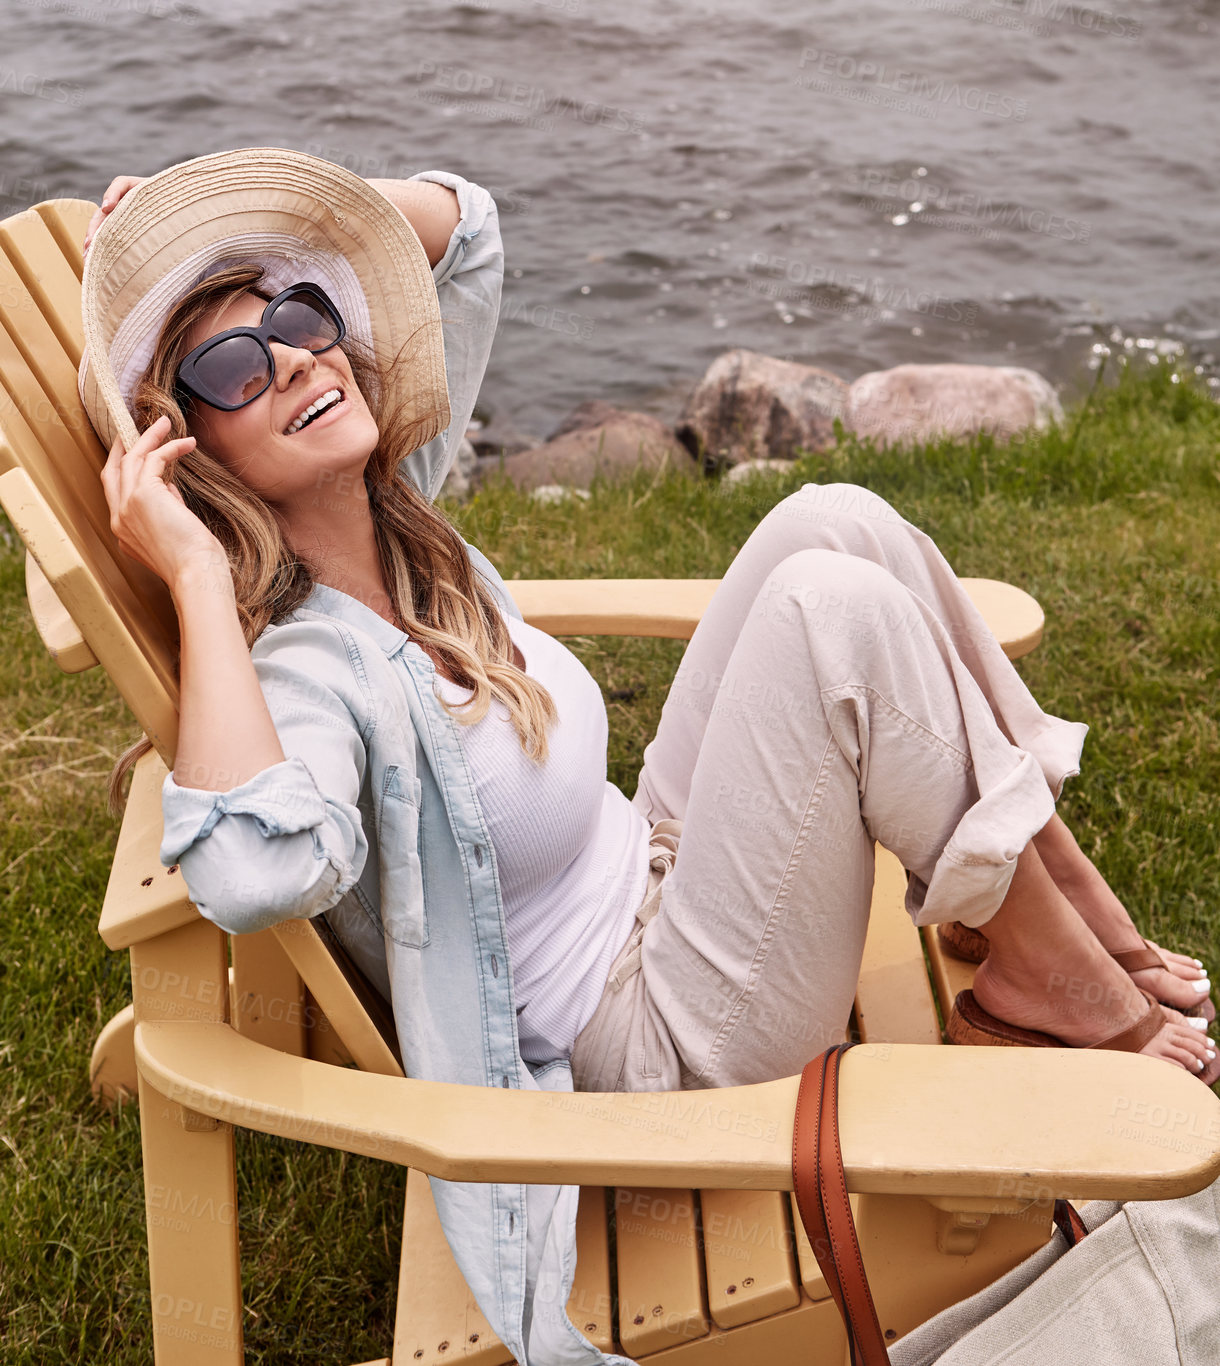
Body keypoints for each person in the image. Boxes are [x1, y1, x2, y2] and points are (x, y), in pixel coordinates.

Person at [82, 150, 1215, 1366]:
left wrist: (249, 198)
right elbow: (254, 873)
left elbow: (467, 231)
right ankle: (1068, 995)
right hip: (649, 1048)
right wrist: (195, 574)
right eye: (231, 366)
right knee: (826, 611)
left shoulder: (397, 514)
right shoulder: (308, 666)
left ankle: (1064, 940)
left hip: (665, 880)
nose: (297, 356)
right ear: (185, 448)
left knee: (830, 520)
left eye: (302, 318)